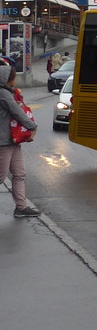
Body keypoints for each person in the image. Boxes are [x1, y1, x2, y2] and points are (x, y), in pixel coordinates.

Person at [0, 60, 40, 217]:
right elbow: (17, 112)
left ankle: (21, 207)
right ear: (7, 78)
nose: (14, 80)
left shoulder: (8, 92)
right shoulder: (3, 94)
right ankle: (21, 207)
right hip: (3, 142)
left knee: (19, 173)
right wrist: (32, 126)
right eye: (13, 77)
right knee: (1, 176)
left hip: (13, 141)